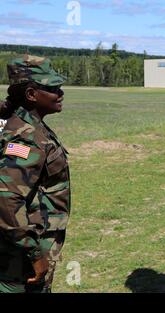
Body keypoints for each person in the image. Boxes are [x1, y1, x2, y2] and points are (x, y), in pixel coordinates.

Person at [0, 55, 70, 293]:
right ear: (31, 94)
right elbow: (7, 199)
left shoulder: (22, 122)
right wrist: (34, 253)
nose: (60, 93)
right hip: (21, 258)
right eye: (53, 88)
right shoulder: (26, 137)